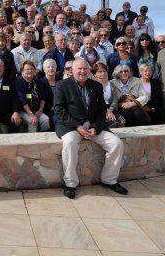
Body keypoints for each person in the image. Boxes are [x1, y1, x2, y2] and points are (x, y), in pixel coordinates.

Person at [53, 58, 128, 199]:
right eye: (79, 68)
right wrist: (77, 126)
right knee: (69, 143)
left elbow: (101, 111)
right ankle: (70, 183)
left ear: (89, 71)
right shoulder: (62, 85)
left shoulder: (96, 85)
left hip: (92, 125)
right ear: (72, 70)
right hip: (70, 126)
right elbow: (59, 110)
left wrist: (95, 128)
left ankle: (109, 180)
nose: (82, 71)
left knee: (116, 143)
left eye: (85, 68)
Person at [16, 60, 50, 132]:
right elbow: (22, 100)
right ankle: (32, 142)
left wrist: (40, 110)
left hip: (37, 110)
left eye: (31, 69)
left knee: (46, 120)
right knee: (33, 122)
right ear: (22, 71)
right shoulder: (19, 82)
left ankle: (44, 140)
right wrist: (31, 114)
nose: (30, 71)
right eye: (27, 69)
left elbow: (43, 97)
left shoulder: (38, 81)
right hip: (24, 111)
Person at [91, 62, 123, 128]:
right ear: (95, 74)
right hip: (99, 110)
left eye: (104, 71)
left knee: (122, 121)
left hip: (111, 108)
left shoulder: (111, 84)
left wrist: (110, 110)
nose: (103, 73)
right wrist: (107, 111)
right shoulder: (92, 86)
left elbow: (115, 99)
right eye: (100, 71)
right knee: (113, 123)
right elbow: (95, 101)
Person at [41, 58, 58, 128]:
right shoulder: (41, 82)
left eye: (53, 67)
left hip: (61, 108)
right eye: (48, 67)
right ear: (44, 70)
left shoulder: (60, 80)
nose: (51, 69)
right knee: (57, 119)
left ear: (56, 69)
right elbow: (42, 99)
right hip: (48, 110)